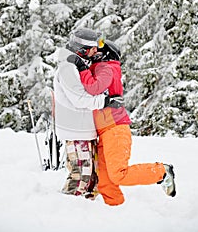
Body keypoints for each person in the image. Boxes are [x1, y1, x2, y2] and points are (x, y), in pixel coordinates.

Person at [69, 39, 176, 206]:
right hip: (104, 132)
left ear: (106, 55)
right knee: (105, 183)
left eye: (97, 51)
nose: (93, 53)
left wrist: (81, 67)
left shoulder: (108, 68)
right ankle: (116, 215)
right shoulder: (99, 68)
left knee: (118, 174)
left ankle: (161, 171)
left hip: (115, 129)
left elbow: (94, 88)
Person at [53, 28, 122, 198]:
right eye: (93, 48)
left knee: (91, 178)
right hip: (75, 129)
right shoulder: (67, 68)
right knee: (80, 177)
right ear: (82, 49)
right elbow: (80, 99)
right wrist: (105, 101)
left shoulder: (77, 65)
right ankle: (65, 209)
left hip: (83, 128)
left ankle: (86, 213)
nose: (96, 51)